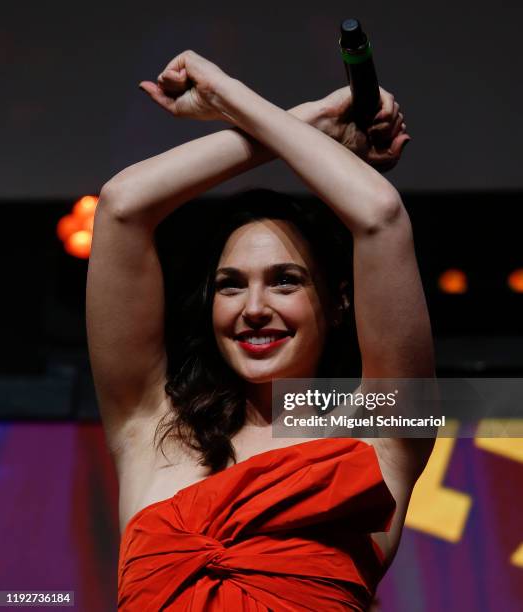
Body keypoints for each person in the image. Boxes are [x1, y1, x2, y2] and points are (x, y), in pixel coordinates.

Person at [86, 50, 435, 611]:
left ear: (340, 304)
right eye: (229, 285)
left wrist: (227, 91)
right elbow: (123, 206)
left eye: (285, 281)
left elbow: (379, 216)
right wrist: (310, 120)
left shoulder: (383, 434)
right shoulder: (150, 429)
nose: (253, 307)